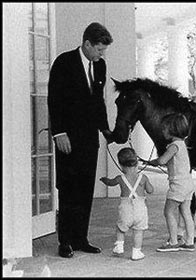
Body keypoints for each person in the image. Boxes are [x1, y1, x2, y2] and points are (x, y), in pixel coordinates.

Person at [48, 22, 113, 258]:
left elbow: (98, 102)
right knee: (68, 188)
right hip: (67, 138)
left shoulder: (100, 66)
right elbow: (54, 100)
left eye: (103, 51)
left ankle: (80, 238)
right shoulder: (63, 63)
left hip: (89, 139)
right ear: (87, 44)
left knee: (85, 188)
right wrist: (59, 133)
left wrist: (105, 130)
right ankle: (65, 241)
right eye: (99, 49)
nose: (101, 54)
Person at [148, 113, 195, 252]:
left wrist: (154, 162)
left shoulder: (173, 146)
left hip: (178, 185)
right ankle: (189, 242)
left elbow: (162, 160)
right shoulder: (182, 144)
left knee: (168, 211)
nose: (162, 131)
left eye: (164, 128)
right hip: (188, 183)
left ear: (172, 129)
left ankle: (173, 242)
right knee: (186, 212)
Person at [100, 148, 154, 261]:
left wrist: (105, 180)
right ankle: (136, 252)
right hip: (140, 209)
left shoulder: (120, 178)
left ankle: (119, 246)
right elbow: (150, 190)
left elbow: (110, 183)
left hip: (125, 208)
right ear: (137, 162)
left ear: (120, 164)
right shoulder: (143, 178)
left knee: (121, 228)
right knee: (138, 231)